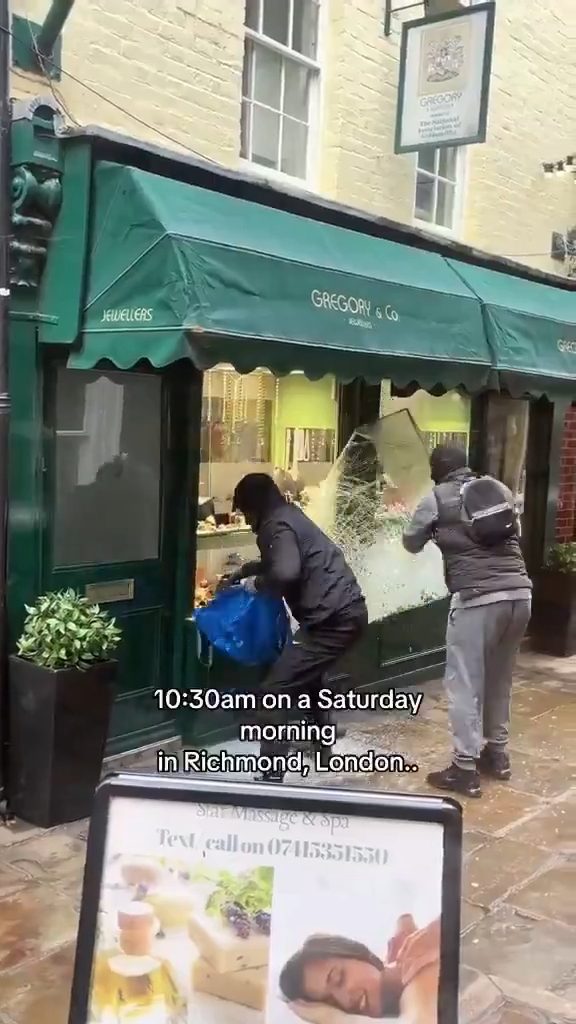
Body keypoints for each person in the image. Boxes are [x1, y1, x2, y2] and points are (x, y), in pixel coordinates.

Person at [402, 445, 532, 798]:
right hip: (519, 594)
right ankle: (497, 754)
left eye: (432, 466)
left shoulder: (436, 498)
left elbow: (410, 543)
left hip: (477, 598)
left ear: (439, 468)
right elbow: (514, 530)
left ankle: (463, 768)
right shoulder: (496, 487)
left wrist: (435, 531)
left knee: (464, 683)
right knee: (500, 677)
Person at [226, 472, 368, 782]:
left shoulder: (275, 524)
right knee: (308, 678)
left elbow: (287, 571)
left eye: (245, 511)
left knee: (272, 691)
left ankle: (272, 774)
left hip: (331, 620)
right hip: (345, 612)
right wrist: (248, 569)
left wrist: (255, 583)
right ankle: (323, 747)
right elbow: (286, 560)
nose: (247, 521)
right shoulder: (288, 515)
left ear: (255, 505)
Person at [279, 916, 440, 1024]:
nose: (345, 1001)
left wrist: (336, 1018)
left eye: (338, 978)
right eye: (331, 1004)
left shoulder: (416, 965)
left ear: (358, 954)